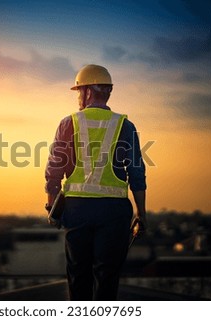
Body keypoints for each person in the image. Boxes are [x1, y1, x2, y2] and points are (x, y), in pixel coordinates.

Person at [45, 64, 147, 300]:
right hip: (113, 212)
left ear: (88, 91)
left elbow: (54, 170)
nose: (78, 97)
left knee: (78, 275)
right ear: (107, 91)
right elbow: (137, 174)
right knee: (107, 277)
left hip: (77, 209)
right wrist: (141, 214)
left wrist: (52, 205)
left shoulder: (67, 123)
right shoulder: (125, 126)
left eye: (78, 91)